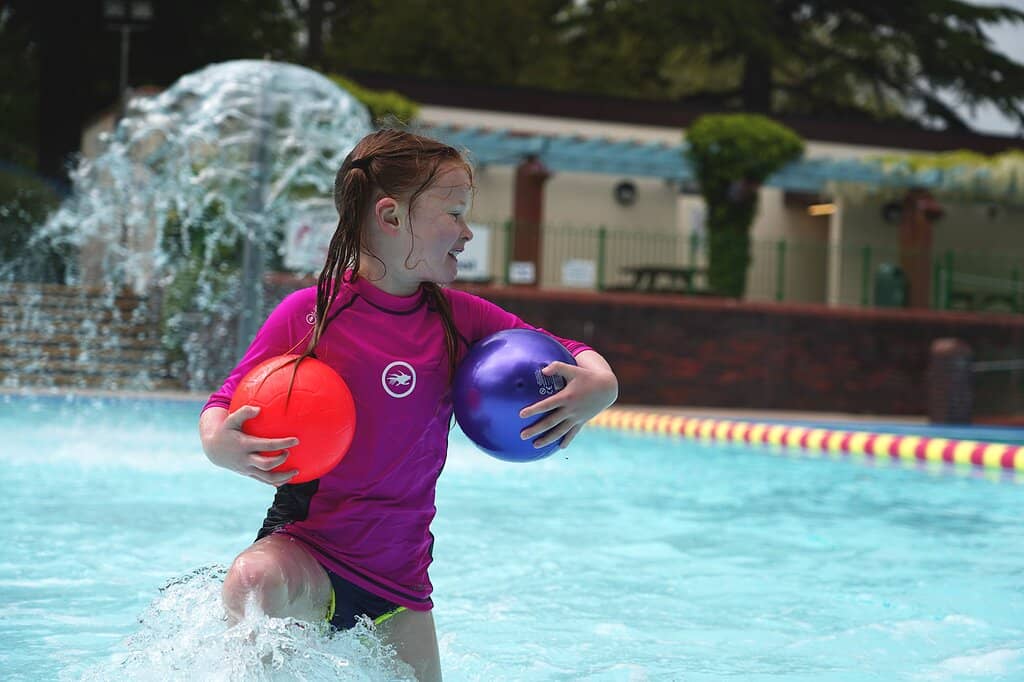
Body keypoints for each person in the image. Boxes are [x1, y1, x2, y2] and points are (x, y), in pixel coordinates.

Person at [198, 129, 618, 681]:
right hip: (309, 547)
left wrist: (600, 388)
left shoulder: (458, 318)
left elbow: (573, 353)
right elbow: (225, 401)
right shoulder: (313, 314)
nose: (467, 233)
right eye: (455, 213)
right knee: (252, 583)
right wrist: (219, 444)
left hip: (398, 585)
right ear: (392, 217)